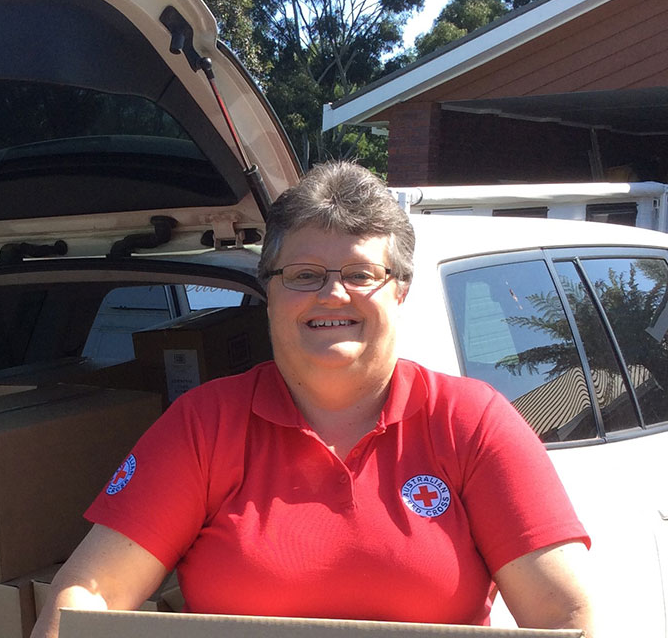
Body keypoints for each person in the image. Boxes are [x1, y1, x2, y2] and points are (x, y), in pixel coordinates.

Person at [30, 161, 595, 637]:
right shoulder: (204, 426)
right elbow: (88, 594)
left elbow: (566, 615)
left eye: (359, 272)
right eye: (303, 274)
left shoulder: (472, 423)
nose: (332, 293)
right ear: (269, 292)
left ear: (401, 290)